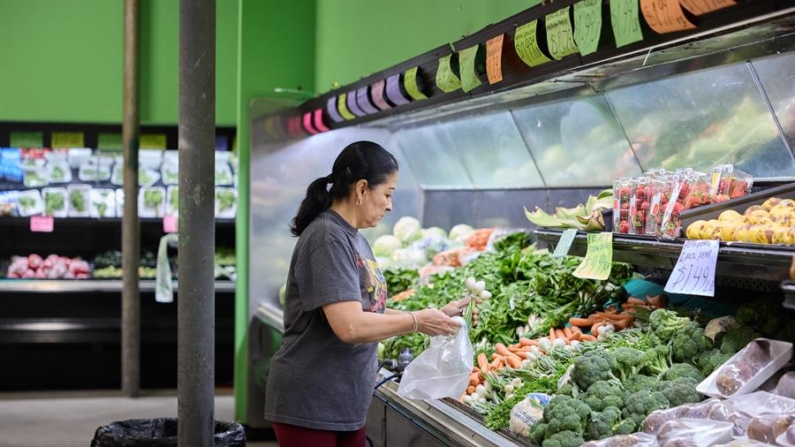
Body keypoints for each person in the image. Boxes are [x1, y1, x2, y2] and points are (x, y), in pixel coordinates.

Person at [263, 141, 470, 447]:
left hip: (343, 403)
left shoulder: (354, 238)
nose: (390, 206)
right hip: (311, 404)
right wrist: (416, 321)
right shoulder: (327, 238)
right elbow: (350, 326)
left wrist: (434, 315)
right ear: (361, 189)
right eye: (387, 193)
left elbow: (366, 311)